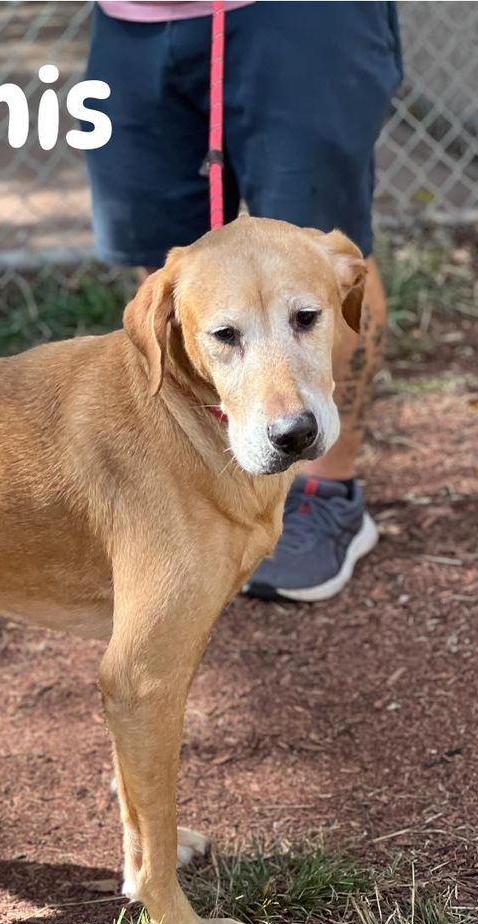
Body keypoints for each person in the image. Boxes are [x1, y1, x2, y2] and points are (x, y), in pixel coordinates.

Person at [84, 1, 403, 601]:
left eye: (307, 322)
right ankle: (205, 487)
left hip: (297, 17)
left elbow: (340, 269)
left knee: (319, 259)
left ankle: (326, 494)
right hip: (132, 19)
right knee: (175, 273)